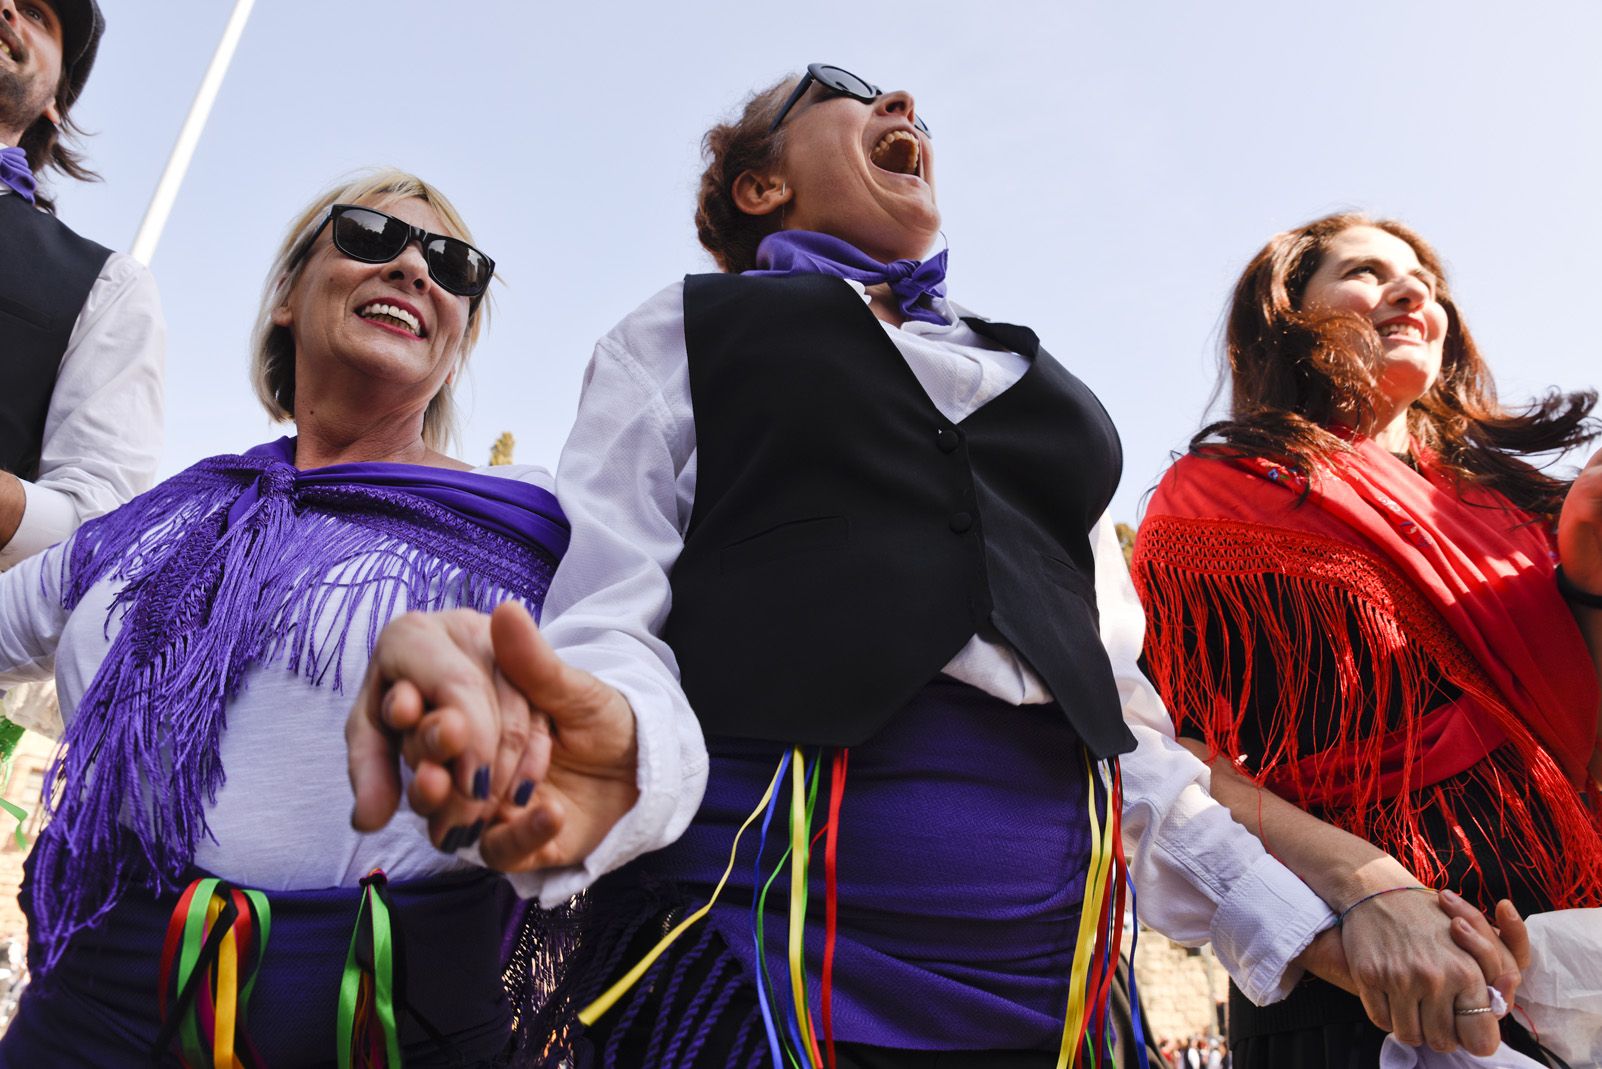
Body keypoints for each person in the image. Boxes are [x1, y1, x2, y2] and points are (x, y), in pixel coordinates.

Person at [342, 70, 1513, 1069]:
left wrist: (1320, 928)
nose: (901, 100)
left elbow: (1130, 740)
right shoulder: (677, 333)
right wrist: (602, 752)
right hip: (760, 968)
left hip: (1059, 994)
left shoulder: (1045, 395)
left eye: (906, 102)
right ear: (762, 187)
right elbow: (612, 616)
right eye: (843, 91)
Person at [0, 170, 572, 1066]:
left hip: (378, 1033)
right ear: (285, 298)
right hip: (81, 1021)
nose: (415, 268)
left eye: (453, 265)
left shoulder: (537, 535)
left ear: (457, 343)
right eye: (371, 236)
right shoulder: (160, 520)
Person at [1131, 213, 1602, 1066]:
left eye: (1426, 279)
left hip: (1569, 959)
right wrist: (1362, 889)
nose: (1412, 288)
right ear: (1288, 311)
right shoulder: (1217, 500)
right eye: (1365, 271)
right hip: (1356, 978)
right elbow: (1169, 755)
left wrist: (1588, 575)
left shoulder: (1523, 510)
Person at [0, 0, 164, 571]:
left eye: (35, 12)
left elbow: (96, 530)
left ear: (55, 101)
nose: (6, 8)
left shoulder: (106, 286)